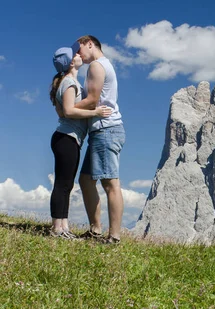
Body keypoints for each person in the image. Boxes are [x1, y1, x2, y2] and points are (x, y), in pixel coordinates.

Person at [49, 44, 111, 239]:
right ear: (69, 63)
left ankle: (63, 226)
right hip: (67, 139)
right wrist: (95, 112)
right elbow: (68, 111)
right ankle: (57, 229)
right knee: (63, 183)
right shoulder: (69, 83)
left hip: (68, 138)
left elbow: (62, 111)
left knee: (65, 183)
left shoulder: (69, 81)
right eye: (75, 54)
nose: (79, 55)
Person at [74, 35, 125, 244]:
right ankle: (95, 230)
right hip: (102, 131)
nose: (78, 54)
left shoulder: (96, 65)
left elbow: (93, 99)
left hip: (106, 130)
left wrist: (68, 108)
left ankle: (114, 237)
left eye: (80, 50)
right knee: (86, 180)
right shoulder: (101, 65)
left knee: (110, 183)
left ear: (90, 44)